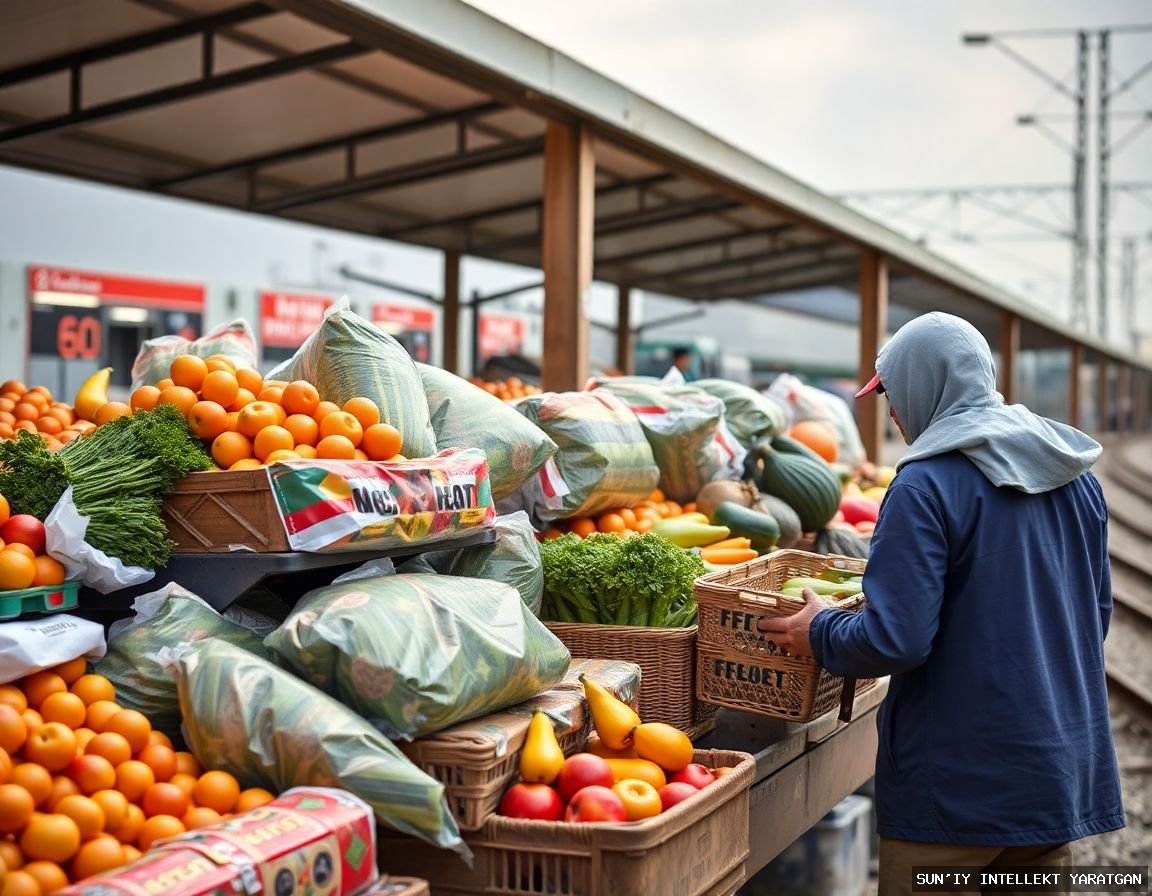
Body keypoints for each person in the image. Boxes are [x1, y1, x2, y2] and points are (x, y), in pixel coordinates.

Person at [758, 312, 1123, 896]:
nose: (894, 413)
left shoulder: (923, 486)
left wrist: (820, 630)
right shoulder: (1074, 476)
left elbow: (894, 639)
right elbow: (1093, 619)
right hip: (1056, 776)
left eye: (894, 395)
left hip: (957, 794)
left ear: (927, 386)